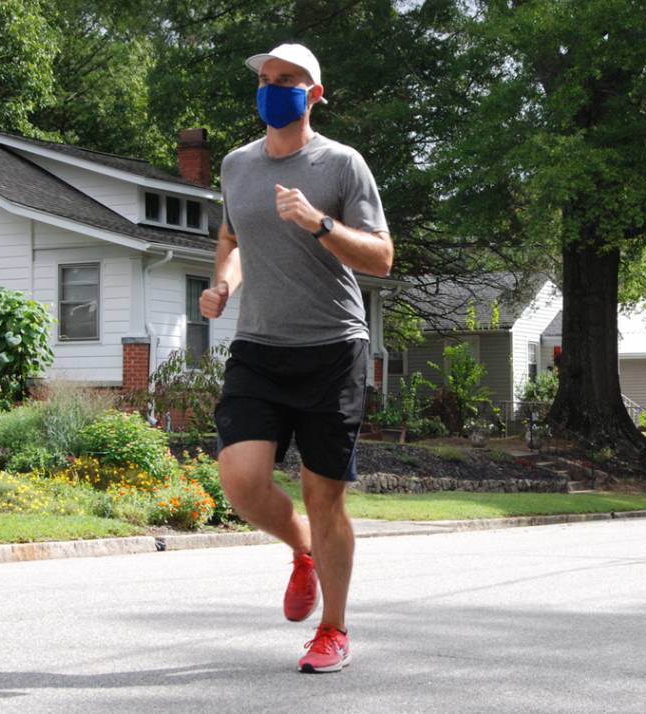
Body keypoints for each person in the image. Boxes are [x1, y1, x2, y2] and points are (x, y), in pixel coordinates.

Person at [199, 43, 393, 674]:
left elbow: (382, 259)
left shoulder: (342, 164)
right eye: (266, 79)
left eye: (287, 80)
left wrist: (319, 224)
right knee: (241, 480)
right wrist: (224, 281)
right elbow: (233, 235)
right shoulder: (236, 166)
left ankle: (333, 629)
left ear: (313, 94)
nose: (272, 88)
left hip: (333, 347)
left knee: (323, 494)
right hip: (259, 344)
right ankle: (301, 551)